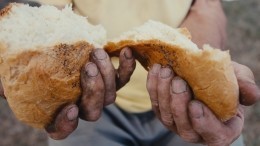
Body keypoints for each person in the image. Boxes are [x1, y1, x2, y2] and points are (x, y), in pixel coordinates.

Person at [1, 0, 259, 145]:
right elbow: (56, 11)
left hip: (187, 97)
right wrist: (35, 71)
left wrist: (195, 61)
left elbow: (207, 6)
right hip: (93, 103)